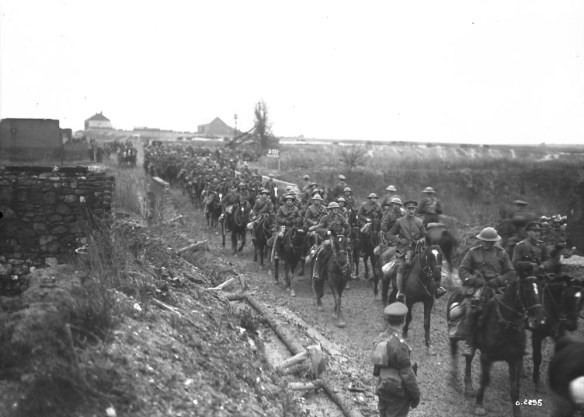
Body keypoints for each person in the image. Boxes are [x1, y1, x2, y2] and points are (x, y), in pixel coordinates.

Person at [458, 227, 516, 357]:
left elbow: (511, 272)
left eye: (489, 241)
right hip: (479, 286)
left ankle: (514, 344)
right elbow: (462, 270)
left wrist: (499, 280)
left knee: (512, 309)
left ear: (494, 242)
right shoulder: (473, 252)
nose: (486, 243)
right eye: (484, 241)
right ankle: (470, 344)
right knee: (471, 311)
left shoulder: (501, 253)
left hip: (497, 286)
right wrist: (474, 280)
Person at [388, 200, 446, 303]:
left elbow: (425, 235)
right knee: (401, 266)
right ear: (406, 210)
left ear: (415, 210)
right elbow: (390, 235)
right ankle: (400, 292)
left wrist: (421, 240)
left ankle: (436, 288)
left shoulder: (419, 222)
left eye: (413, 209)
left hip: (417, 249)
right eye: (409, 209)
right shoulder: (399, 221)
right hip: (401, 249)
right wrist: (400, 240)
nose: (411, 210)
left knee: (431, 264)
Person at [372, 302, 421, 417]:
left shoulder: (380, 338)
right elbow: (407, 373)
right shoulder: (400, 345)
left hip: (382, 388)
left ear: (388, 320)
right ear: (404, 321)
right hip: (397, 394)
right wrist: (416, 395)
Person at [311, 202, 352, 280]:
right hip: (328, 238)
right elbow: (318, 229)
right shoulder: (325, 218)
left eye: (337, 208)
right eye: (334, 208)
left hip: (339, 238)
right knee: (320, 252)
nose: (336, 210)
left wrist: (345, 235)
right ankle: (316, 272)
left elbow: (348, 226)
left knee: (349, 250)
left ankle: (350, 271)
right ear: (330, 210)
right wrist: (326, 231)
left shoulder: (340, 217)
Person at [272, 194, 303, 261]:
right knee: (279, 236)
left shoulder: (296, 209)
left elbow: (300, 217)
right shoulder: (281, 208)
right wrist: (284, 221)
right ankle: (277, 252)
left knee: (301, 235)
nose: (289, 201)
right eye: (288, 200)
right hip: (284, 226)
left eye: (291, 200)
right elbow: (277, 217)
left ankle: (301, 253)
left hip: (294, 226)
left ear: (293, 201)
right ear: (285, 201)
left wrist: (294, 220)